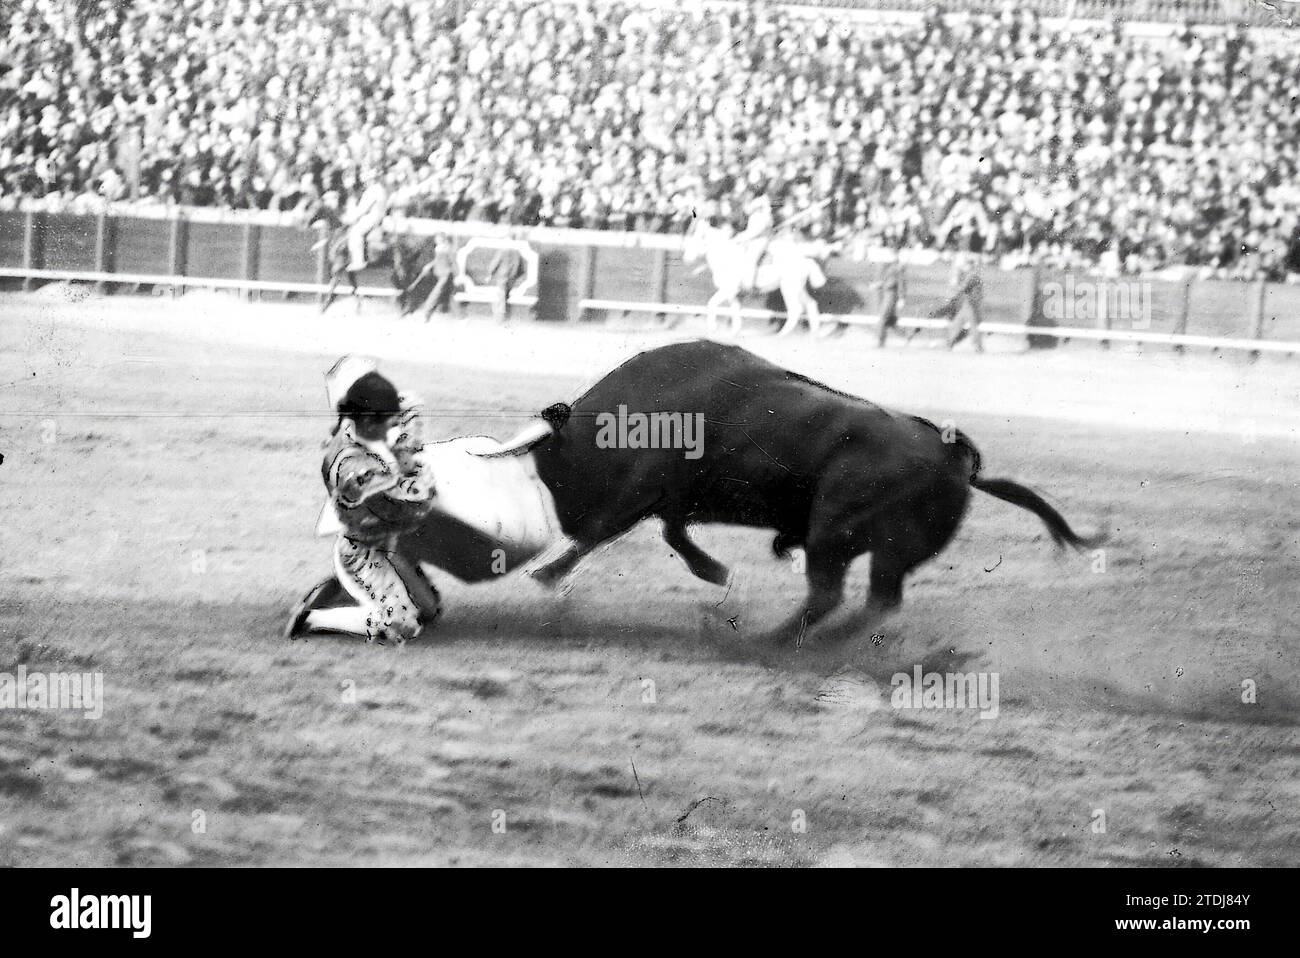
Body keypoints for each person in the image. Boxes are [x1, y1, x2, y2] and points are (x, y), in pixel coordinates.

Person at [285, 357, 441, 644]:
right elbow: (408, 502)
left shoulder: (363, 427)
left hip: (388, 544)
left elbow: (410, 409)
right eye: (385, 422)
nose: (390, 428)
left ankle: (344, 591)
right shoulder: (350, 467)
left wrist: (407, 440)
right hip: (361, 553)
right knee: (402, 626)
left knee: (430, 611)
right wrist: (415, 472)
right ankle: (311, 619)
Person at [935, 251, 985, 352]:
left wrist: (954, 287)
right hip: (968, 303)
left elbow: (963, 288)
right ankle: (950, 344)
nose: (965, 266)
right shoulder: (973, 274)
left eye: (967, 264)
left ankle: (978, 346)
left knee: (971, 325)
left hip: (970, 303)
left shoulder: (972, 275)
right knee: (958, 323)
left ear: (970, 265)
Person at [344, 173, 392, 272]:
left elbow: (362, 209)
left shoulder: (372, 190)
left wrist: (350, 219)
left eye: (367, 181)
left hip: (373, 217)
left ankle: (358, 261)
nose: (365, 183)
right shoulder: (381, 189)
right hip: (380, 216)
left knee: (355, 232)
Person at [737, 193, 775, 288]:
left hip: (760, 240)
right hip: (754, 239)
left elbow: (754, 232)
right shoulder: (755, 215)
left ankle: (749, 284)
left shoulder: (763, 216)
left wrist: (740, 237)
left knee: (751, 259)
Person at [875, 247, 906, 348]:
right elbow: (885, 281)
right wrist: (878, 285)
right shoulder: (888, 266)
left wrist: (901, 298)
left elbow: (901, 283)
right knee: (890, 320)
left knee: (883, 317)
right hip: (885, 293)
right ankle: (907, 336)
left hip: (891, 294)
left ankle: (880, 342)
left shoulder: (898, 267)